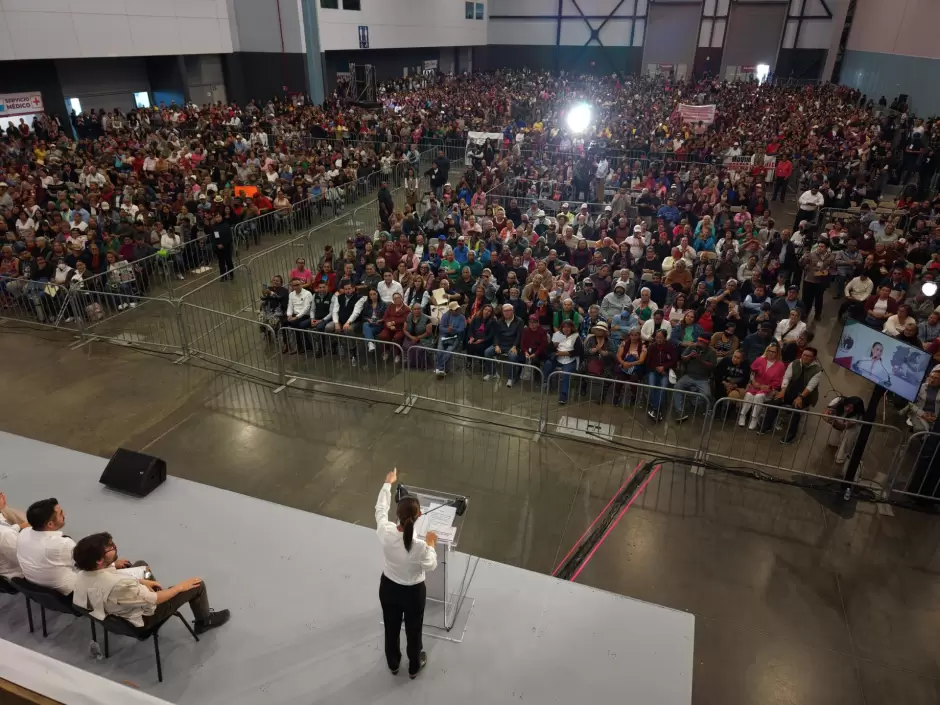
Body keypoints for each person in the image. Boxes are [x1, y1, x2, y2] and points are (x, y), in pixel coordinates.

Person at [72, 532, 230, 633]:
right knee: (197, 585)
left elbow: (111, 579)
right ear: (99, 561)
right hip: (146, 615)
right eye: (110, 548)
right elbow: (155, 599)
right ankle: (204, 621)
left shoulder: (82, 575)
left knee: (141, 565)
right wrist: (179, 588)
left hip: (117, 605)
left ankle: (154, 584)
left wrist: (142, 581)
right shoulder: (122, 586)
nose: (114, 548)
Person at [375, 468, 437, 679]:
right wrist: (431, 544)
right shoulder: (420, 546)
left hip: (389, 588)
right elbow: (430, 565)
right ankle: (413, 666)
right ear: (419, 516)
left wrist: (387, 483)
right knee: (413, 629)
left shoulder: (386, 531)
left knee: (391, 628)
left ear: (397, 516)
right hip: (413, 593)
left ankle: (393, 663)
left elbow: (379, 510)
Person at [758, 347, 822, 444]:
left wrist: (800, 397)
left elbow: (810, 387)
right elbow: (787, 377)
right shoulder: (795, 363)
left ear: (814, 358)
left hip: (805, 395)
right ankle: (767, 425)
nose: (805, 357)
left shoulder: (817, 370)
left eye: (808, 356)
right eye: (804, 355)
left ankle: (791, 434)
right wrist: (783, 390)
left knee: (796, 408)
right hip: (791, 390)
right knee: (775, 401)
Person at [15, 498, 76, 594]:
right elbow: (86, 564)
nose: (64, 515)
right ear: (50, 524)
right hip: (69, 595)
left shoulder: (23, 533)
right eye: (61, 513)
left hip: (37, 591)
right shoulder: (62, 544)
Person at [738, 342, 786, 430]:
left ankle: (754, 418)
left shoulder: (780, 365)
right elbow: (752, 372)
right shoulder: (760, 359)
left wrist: (769, 387)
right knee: (748, 395)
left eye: (773, 352)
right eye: (769, 351)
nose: (771, 353)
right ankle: (742, 415)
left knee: (759, 396)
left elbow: (778, 381)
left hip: (769, 389)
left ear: (777, 353)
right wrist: (753, 381)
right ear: (766, 351)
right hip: (755, 385)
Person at [673, 334, 717, 422]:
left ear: (707, 343)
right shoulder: (692, 347)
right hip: (689, 375)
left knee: (707, 395)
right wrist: (689, 356)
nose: (699, 343)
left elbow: (712, 367)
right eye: (698, 341)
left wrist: (700, 359)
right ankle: (680, 412)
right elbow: (682, 359)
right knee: (677, 387)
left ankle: (694, 402)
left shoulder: (712, 352)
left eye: (702, 342)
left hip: (703, 378)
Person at [543, 318, 583, 404]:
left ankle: (563, 394)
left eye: (568, 327)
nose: (566, 329)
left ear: (572, 328)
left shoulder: (576, 336)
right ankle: (547, 382)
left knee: (566, 373)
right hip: (557, 358)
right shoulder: (558, 335)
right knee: (547, 364)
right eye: (564, 327)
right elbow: (548, 349)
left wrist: (565, 353)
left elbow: (578, 351)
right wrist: (553, 346)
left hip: (570, 360)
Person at [484, 303, 523, 386]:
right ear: (502, 312)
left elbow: (519, 336)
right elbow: (496, 335)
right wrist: (497, 345)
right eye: (505, 311)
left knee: (512, 356)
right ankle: (492, 373)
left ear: (513, 311)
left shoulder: (519, 321)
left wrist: (515, 346)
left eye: (509, 310)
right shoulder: (499, 321)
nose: (507, 312)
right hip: (501, 344)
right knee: (487, 352)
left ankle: (511, 378)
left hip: (512, 345)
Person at [824, 396, 866, 468]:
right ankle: (839, 442)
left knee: (847, 439)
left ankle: (843, 455)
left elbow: (843, 426)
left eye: (851, 408)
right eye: (847, 406)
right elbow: (825, 411)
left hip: (849, 428)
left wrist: (833, 421)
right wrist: (828, 415)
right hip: (839, 420)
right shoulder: (838, 400)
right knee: (832, 443)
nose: (847, 409)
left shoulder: (857, 416)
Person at [281, 278, 314, 354]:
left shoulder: (307, 293)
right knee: (283, 322)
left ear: (301, 284)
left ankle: (300, 346)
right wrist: (289, 315)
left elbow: (306, 308)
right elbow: (290, 306)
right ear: (292, 286)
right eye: (294, 285)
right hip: (294, 314)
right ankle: (286, 344)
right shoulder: (291, 294)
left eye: (298, 284)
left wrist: (297, 317)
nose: (296, 287)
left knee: (295, 323)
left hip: (305, 315)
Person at [0, 490, 28, 579]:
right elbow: (25, 559)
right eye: (0, 495)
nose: (4, 496)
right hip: (19, 574)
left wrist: (18, 526)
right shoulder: (6, 533)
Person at [435, 301, 466, 375]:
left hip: (455, 336)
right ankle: (440, 369)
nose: (458, 310)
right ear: (451, 310)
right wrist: (447, 330)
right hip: (444, 335)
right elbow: (441, 328)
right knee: (440, 350)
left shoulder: (462, 317)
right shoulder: (445, 316)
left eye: (458, 308)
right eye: (456, 309)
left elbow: (461, 329)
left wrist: (453, 330)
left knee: (449, 350)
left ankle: (439, 368)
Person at [211, 212, 234, 281]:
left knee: (228, 261)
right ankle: (223, 276)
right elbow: (214, 237)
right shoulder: (214, 227)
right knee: (221, 262)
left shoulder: (226, 225)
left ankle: (231, 274)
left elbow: (229, 236)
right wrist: (218, 244)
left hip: (227, 246)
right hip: (218, 248)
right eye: (216, 217)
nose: (218, 218)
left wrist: (223, 244)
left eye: (219, 217)